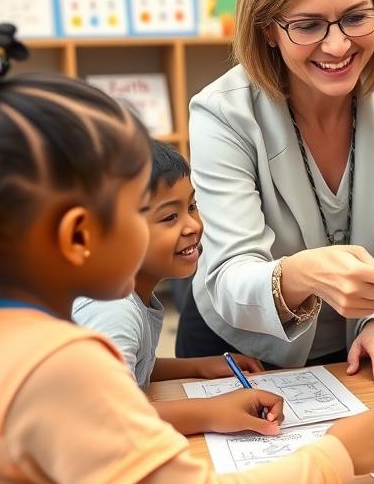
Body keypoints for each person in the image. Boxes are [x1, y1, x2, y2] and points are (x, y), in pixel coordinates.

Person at [0, 25, 374, 484]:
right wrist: (336, 455)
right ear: (80, 234)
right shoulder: (62, 366)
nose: (192, 228)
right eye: (145, 209)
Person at [176, 0, 374, 386]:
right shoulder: (222, 113)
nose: (337, 46)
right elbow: (230, 275)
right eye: (308, 25)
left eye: (355, 18)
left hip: (360, 348)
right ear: (268, 29)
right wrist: (303, 275)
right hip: (240, 346)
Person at [74, 140, 275, 437]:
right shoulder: (113, 308)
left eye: (192, 206)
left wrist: (199, 367)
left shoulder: (128, 294)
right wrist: (211, 412)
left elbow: (131, 369)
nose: (193, 225)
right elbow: (108, 414)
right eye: (170, 217)